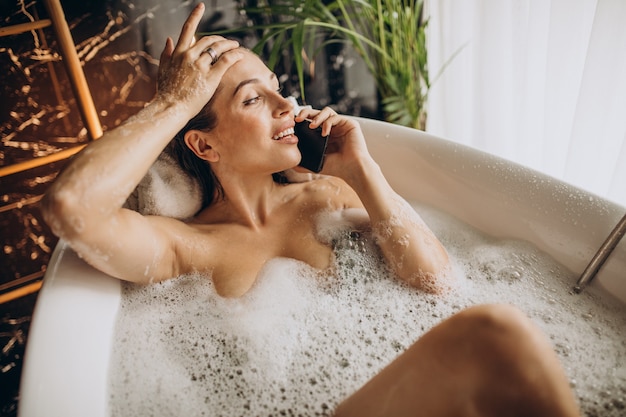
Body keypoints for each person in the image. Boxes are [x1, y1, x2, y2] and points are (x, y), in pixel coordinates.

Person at [41, 3, 581, 416]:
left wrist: (362, 170)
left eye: (277, 90)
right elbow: (72, 208)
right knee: (496, 336)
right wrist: (174, 101)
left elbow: (438, 286)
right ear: (204, 146)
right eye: (253, 100)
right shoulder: (185, 247)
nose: (286, 106)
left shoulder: (327, 197)